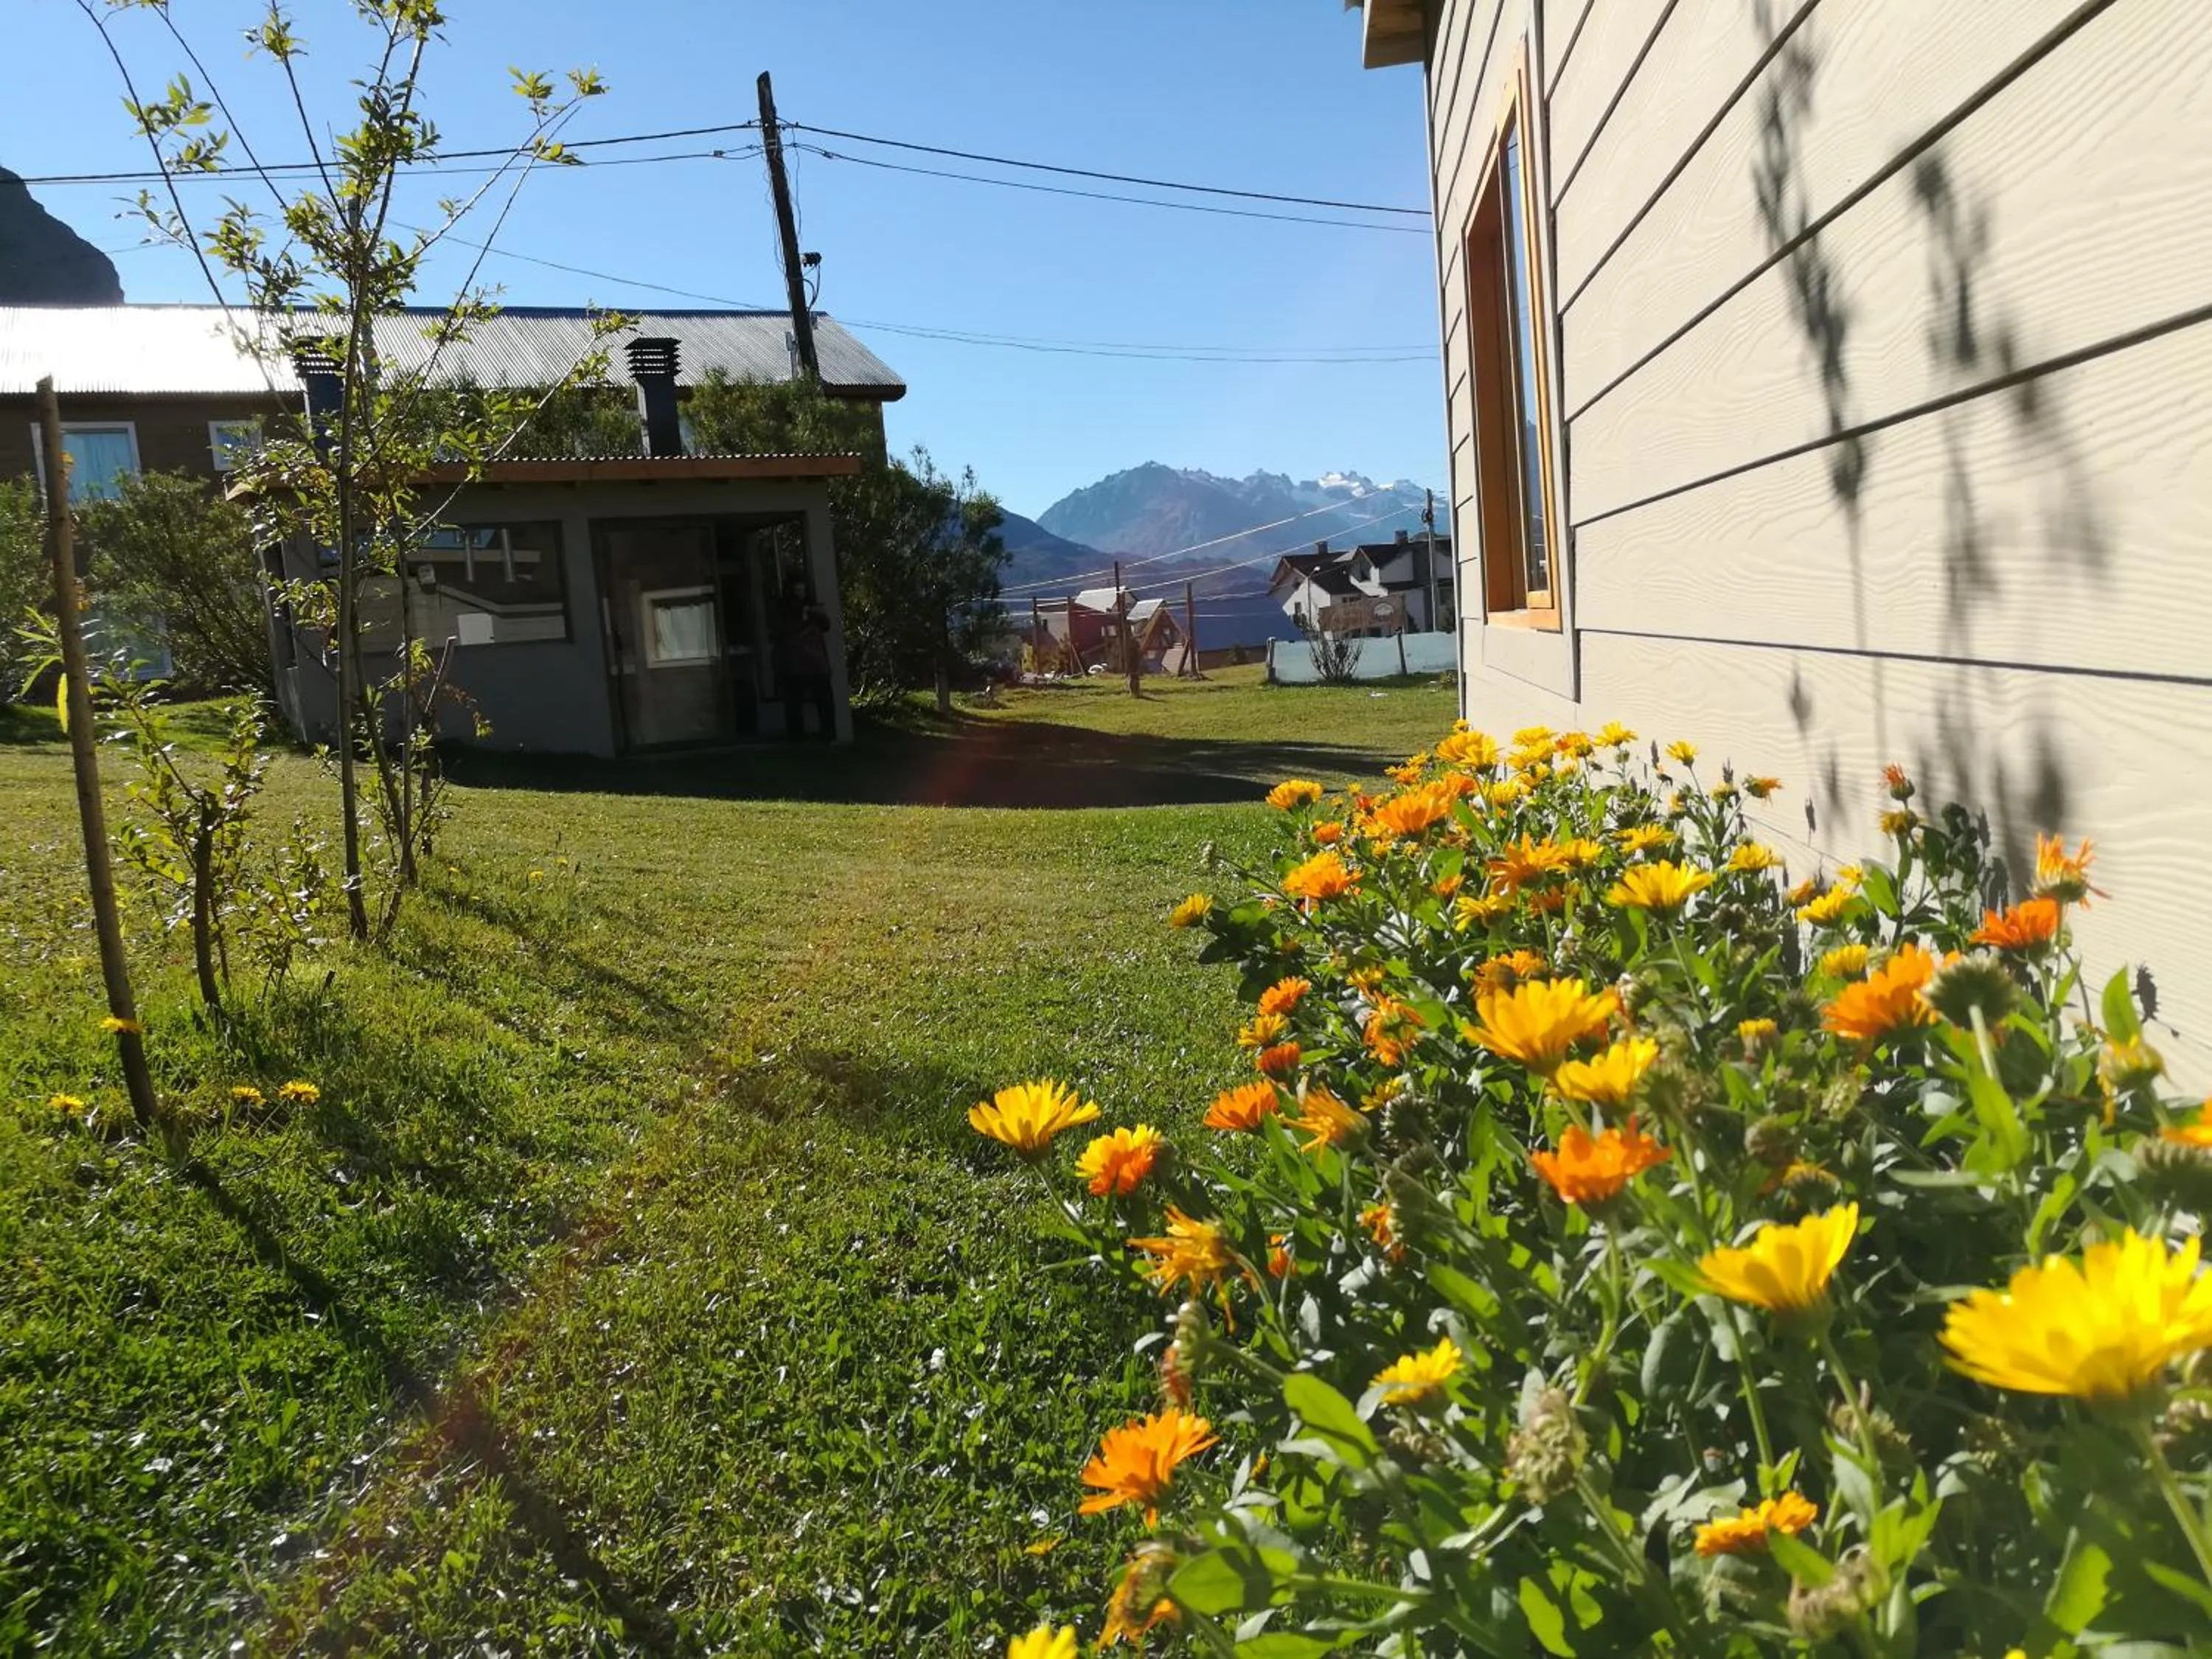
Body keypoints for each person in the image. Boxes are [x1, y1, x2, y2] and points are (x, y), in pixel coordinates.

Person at [780, 603, 835, 742]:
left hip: (816, 666)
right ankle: (797, 737)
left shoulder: (815, 618)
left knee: (824, 702)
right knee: (795, 703)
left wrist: (811, 612)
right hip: (798, 667)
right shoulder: (790, 620)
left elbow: (826, 625)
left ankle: (827, 734)